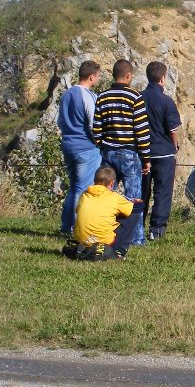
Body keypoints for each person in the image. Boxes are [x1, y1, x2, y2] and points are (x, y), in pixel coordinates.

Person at [93, 59, 151, 245]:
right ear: (128, 76)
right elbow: (141, 131)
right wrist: (146, 158)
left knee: (104, 195)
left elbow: (97, 129)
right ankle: (136, 238)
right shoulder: (135, 97)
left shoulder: (102, 97)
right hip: (129, 153)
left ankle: (102, 233)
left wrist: (103, 144)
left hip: (108, 152)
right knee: (133, 197)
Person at [57, 60, 102, 236]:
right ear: (92, 76)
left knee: (74, 186)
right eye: (97, 76)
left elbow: (60, 121)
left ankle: (66, 225)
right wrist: (98, 142)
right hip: (85, 147)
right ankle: (76, 228)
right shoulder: (88, 96)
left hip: (68, 144)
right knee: (83, 189)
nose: (97, 79)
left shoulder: (66, 94)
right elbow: (93, 123)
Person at [62, 165, 138, 261]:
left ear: (94, 181)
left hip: (82, 241)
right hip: (104, 243)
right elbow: (136, 207)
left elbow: (77, 210)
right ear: (112, 183)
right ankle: (119, 251)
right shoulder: (114, 197)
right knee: (133, 212)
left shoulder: (84, 195)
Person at [141, 61, 181, 241]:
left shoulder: (138, 98)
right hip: (163, 153)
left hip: (143, 152)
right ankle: (156, 230)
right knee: (162, 192)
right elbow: (172, 128)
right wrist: (175, 145)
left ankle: (136, 226)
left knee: (141, 191)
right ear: (163, 78)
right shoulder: (167, 101)